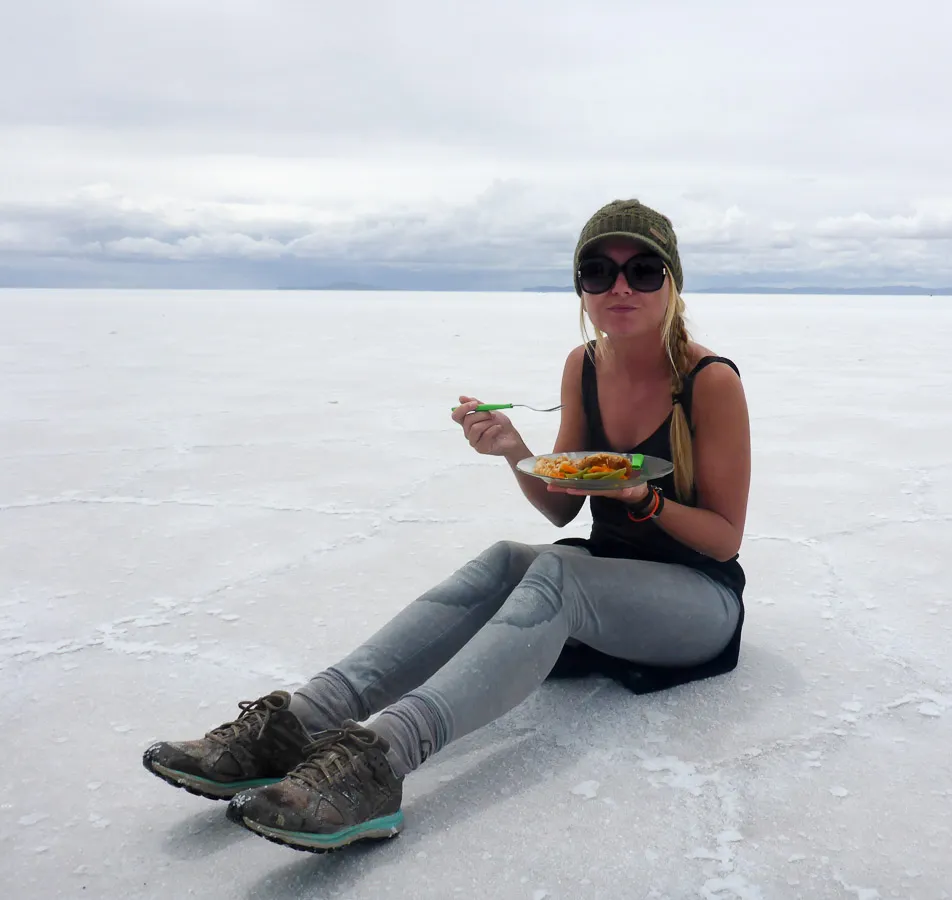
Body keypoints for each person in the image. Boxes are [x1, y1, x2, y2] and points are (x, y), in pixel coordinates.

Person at [141, 198, 753, 853]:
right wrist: (516, 451)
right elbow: (561, 506)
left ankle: (381, 758)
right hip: (608, 584)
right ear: (581, 287)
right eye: (599, 271)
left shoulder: (708, 381)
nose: (621, 287)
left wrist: (645, 499)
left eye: (644, 270)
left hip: (699, 602)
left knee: (556, 575)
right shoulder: (585, 366)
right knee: (505, 560)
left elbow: (725, 538)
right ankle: (301, 721)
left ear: (673, 281)